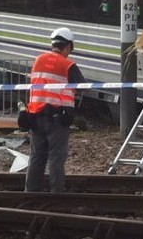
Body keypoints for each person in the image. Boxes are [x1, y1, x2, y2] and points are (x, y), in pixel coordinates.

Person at [24, 27, 86, 194]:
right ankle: (56, 193)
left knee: (37, 157)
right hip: (57, 119)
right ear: (68, 46)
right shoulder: (68, 65)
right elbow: (83, 86)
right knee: (57, 157)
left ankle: (31, 192)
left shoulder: (38, 60)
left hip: (35, 116)